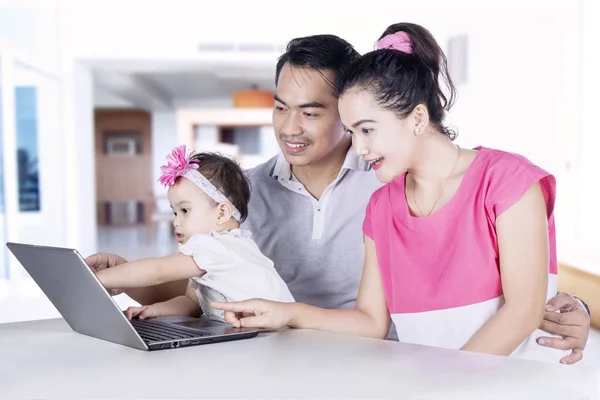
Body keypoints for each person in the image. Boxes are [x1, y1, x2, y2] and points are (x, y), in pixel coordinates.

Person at [86, 33, 590, 364]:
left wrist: (574, 305)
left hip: (401, 366)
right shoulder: (242, 192)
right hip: (281, 358)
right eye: (281, 108)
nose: (289, 127)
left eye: (311, 112)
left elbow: (508, 284)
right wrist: (128, 283)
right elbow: (206, 283)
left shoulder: (392, 178)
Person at [93, 146, 294, 321]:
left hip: (277, 336)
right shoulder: (218, 250)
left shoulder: (216, 246)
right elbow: (191, 303)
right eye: (174, 211)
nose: (176, 221)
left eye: (185, 210)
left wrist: (98, 279)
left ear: (222, 212)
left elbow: (158, 270)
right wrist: (153, 311)